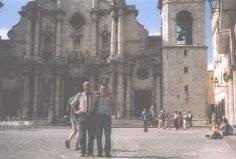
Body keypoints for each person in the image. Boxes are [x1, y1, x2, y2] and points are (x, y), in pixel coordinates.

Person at [71, 81, 98, 157]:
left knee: (91, 136)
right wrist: (76, 112)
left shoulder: (95, 95)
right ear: (83, 87)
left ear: (91, 86)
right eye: (86, 86)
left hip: (92, 116)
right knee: (82, 136)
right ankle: (83, 152)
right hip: (82, 116)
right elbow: (72, 104)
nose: (87, 87)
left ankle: (90, 152)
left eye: (89, 85)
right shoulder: (80, 95)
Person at [95, 84, 116, 158]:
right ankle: (99, 152)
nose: (103, 90)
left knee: (107, 136)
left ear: (107, 89)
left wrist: (111, 112)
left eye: (104, 88)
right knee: (98, 136)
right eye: (101, 88)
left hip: (107, 117)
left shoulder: (111, 97)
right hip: (98, 117)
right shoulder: (97, 97)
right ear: (100, 89)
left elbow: (114, 106)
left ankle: (107, 152)